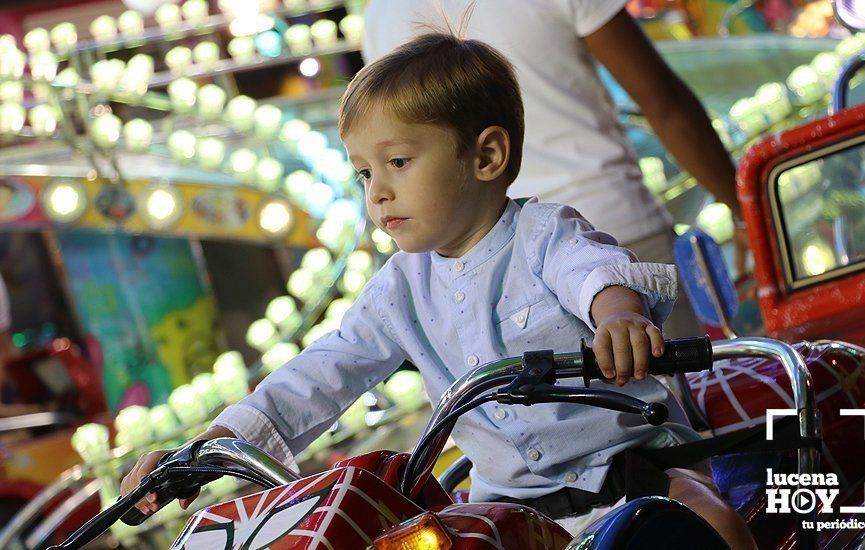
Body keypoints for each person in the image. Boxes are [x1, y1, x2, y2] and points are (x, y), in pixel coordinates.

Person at [122, 34, 754, 547]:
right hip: (510, 513)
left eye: (397, 163)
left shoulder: (541, 233)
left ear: (485, 157)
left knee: (713, 527)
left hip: (632, 475)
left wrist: (618, 316)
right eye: (365, 172)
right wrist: (203, 452)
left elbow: (592, 271)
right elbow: (317, 374)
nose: (377, 192)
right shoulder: (397, 289)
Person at [361, 0, 750, 340]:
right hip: (613, 226)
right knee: (669, 404)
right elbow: (663, 102)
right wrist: (744, 211)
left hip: (497, 264)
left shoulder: (380, 12)